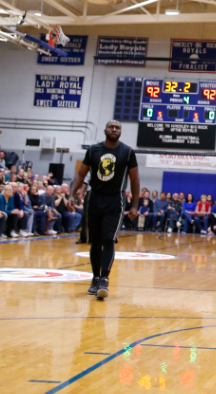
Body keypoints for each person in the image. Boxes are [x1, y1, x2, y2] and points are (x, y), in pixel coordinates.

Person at [70, 120, 140, 301]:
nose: (114, 130)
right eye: (111, 127)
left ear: (121, 131)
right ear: (105, 130)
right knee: (94, 242)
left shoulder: (127, 151)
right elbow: (81, 174)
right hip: (94, 199)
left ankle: (104, 280)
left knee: (108, 239)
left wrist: (135, 205)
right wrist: (71, 194)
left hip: (115, 201)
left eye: (118, 128)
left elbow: (134, 179)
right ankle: (95, 278)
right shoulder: (93, 150)